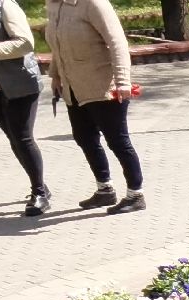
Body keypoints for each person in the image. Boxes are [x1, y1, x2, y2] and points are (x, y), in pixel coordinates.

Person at [46, 0, 145, 214]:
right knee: (84, 137)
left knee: (118, 141)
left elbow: (117, 42)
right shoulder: (54, 5)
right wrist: (55, 75)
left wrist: (123, 80)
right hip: (74, 87)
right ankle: (105, 190)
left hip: (103, 86)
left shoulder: (93, 3)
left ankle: (136, 194)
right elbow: (57, 45)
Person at [0, 0, 49, 216]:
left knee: (22, 138)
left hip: (19, 83)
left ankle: (40, 194)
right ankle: (41, 186)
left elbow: (25, 43)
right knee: (14, 138)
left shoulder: (1, 4)